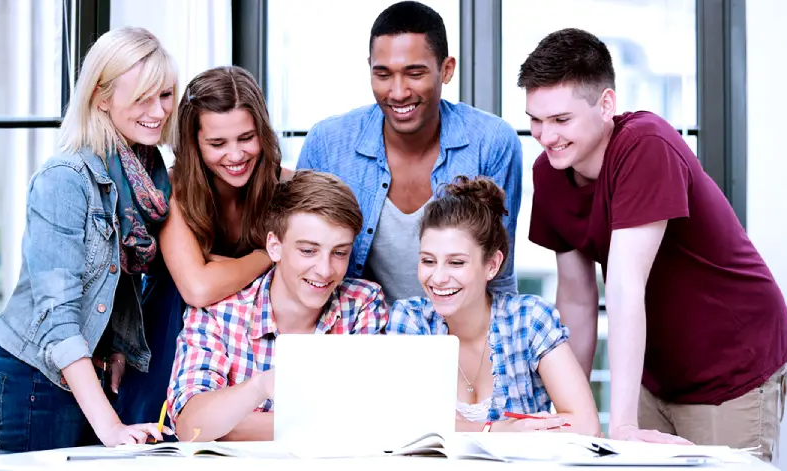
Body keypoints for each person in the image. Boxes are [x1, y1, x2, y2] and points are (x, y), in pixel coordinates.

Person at [519, 28, 787, 460]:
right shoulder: (549, 172)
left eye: (561, 120)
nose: (545, 135)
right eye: (536, 119)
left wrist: (623, 425)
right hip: (656, 374)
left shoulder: (646, 145)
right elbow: (576, 297)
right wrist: (571, 413)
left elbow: (626, 283)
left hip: (730, 367)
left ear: (606, 104)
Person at [0, 26, 176, 451]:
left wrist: (117, 345)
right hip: (37, 375)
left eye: (164, 94)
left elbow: (115, 275)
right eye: (142, 97)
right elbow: (57, 315)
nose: (159, 111)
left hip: (90, 370)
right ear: (101, 98)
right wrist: (109, 426)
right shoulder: (66, 179)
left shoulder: (146, 172)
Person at [296, 1, 522, 305]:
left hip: (455, 335)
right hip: (353, 334)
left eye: (414, 73)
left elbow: (497, 274)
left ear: (447, 69)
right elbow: (298, 260)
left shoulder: (492, 142)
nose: (398, 92)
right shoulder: (327, 143)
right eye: (384, 74)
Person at [115, 65, 289, 434]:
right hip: (172, 336)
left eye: (247, 137)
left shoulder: (287, 186)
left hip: (253, 342)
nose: (236, 154)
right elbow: (197, 288)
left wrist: (216, 264)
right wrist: (270, 256)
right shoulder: (173, 188)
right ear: (194, 143)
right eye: (217, 144)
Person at [166, 170, 389, 442]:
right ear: (274, 247)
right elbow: (192, 428)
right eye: (308, 250)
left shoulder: (363, 303)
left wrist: (231, 425)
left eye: (340, 252)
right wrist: (260, 386)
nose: (324, 269)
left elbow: (371, 419)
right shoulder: (219, 311)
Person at [388, 176, 601, 437]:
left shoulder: (529, 319)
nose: (439, 277)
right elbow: (404, 421)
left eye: (456, 263)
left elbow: (585, 425)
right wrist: (497, 430)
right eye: (428, 261)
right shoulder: (410, 320)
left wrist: (461, 428)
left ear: (492, 265)